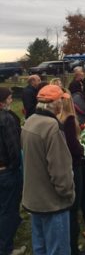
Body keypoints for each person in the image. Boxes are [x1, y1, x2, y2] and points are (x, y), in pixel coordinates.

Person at [21, 85, 75, 255]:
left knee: (40, 248)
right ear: (54, 103)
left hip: (34, 199)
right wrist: (68, 193)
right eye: (61, 99)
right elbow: (60, 169)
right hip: (53, 203)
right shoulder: (52, 126)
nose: (63, 103)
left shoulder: (30, 120)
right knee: (57, 250)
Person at [54, 82, 85, 255]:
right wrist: (82, 149)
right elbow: (72, 145)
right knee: (74, 208)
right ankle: (73, 248)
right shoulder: (69, 120)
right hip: (73, 165)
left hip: (62, 165)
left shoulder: (56, 120)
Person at [0, 88, 26, 255]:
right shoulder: (6, 119)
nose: (11, 101)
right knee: (8, 210)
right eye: (10, 98)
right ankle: (5, 249)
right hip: (6, 171)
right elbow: (13, 148)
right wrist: (14, 166)